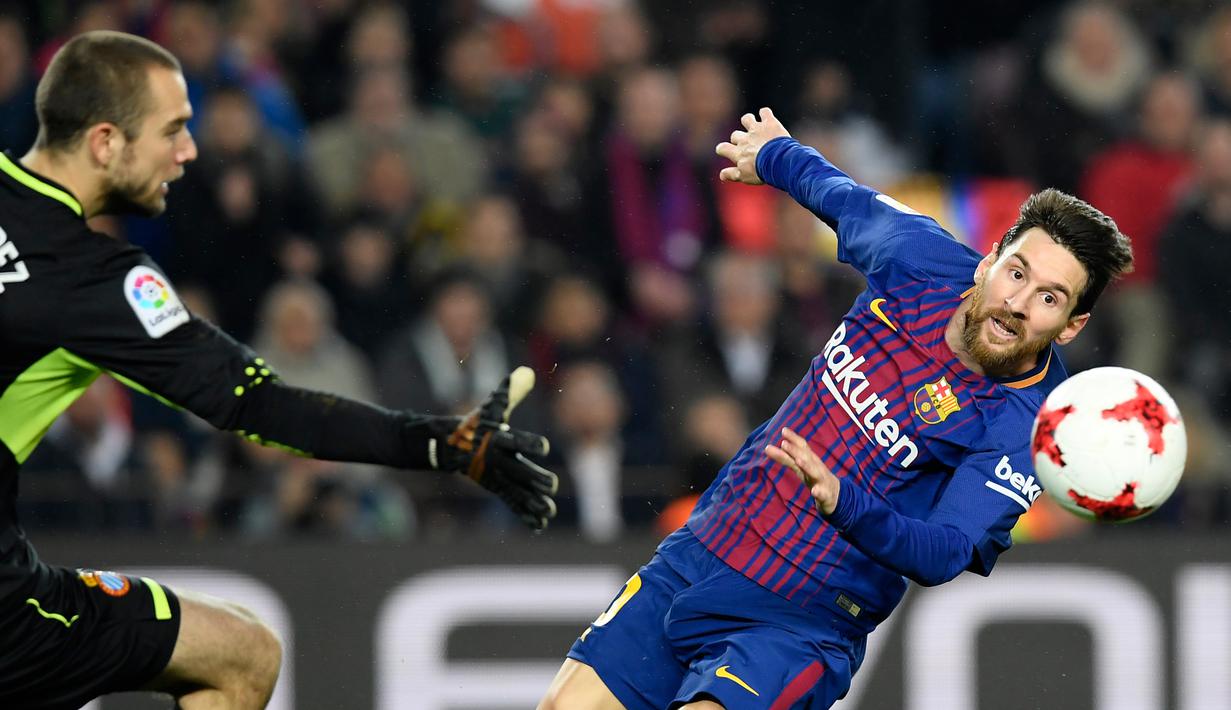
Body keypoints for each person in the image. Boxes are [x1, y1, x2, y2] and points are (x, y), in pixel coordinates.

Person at [0, 31, 558, 709]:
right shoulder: (93, 283)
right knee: (242, 654)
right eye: (172, 130)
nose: (188, 151)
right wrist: (439, 442)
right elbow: (261, 407)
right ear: (105, 142)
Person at [539, 107, 1133, 709]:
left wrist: (843, 502)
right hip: (705, 547)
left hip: (802, 620)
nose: (1018, 303)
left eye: (1049, 298)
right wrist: (773, 154)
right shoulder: (918, 258)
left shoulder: (1025, 424)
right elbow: (841, 197)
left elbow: (945, 551)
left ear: (1071, 325)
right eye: (1017, 273)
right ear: (990, 260)